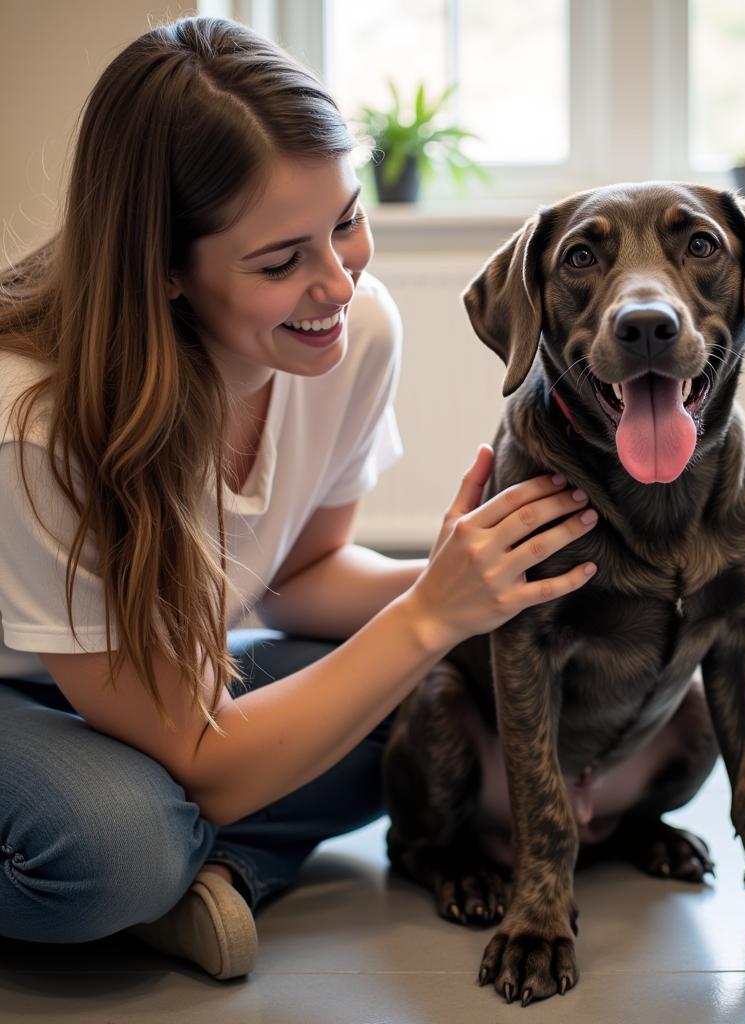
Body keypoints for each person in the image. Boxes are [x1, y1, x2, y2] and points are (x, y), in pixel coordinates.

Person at [0, 16, 599, 980]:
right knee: (111, 845)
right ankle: (167, 877)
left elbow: (301, 574)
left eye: (347, 220)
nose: (338, 280)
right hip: (18, 691)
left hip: (149, 688)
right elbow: (208, 755)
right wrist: (430, 615)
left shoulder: (356, 333)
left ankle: (199, 879)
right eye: (281, 262)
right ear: (163, 270)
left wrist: (459, 581)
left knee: (419, 710)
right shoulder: (31, 422)